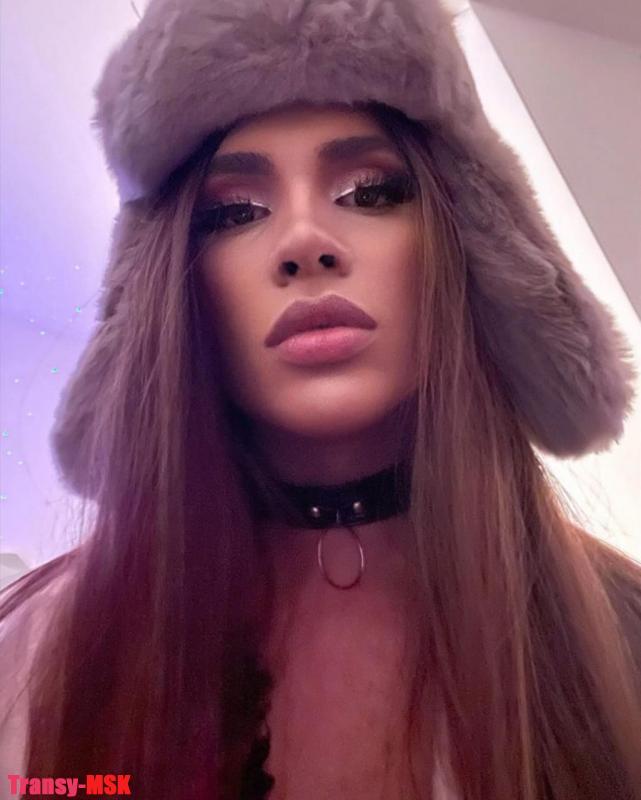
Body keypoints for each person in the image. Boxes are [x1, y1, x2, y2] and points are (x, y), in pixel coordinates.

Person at [1, 1, 641, 798]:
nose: (304, 241)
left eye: (368, 192)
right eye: (234, 212)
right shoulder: (39, 660)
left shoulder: (620, 633)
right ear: (173, 286)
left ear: (462, 240)